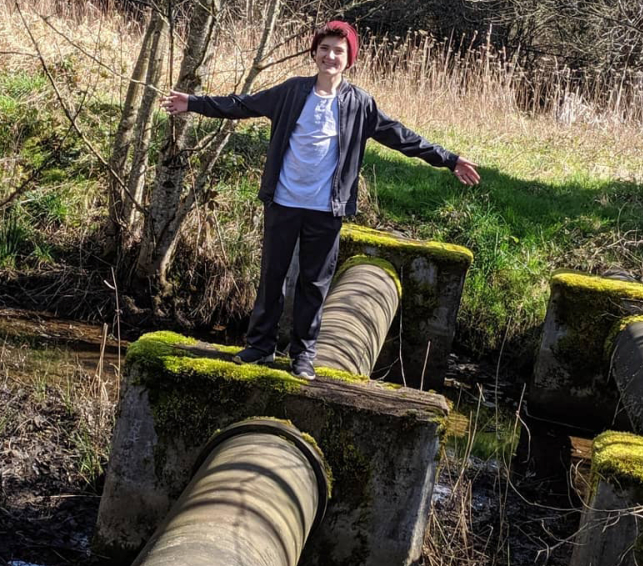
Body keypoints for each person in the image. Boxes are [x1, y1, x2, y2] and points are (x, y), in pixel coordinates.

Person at [162, 20, 480, 380]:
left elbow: (402, 138)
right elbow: (242, 105)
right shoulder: (292, 92)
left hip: (326, 209)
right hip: (283, 202)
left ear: (349, 60)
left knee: (313, 284)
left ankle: (303, 355)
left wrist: (449, 159)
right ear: (314, 53)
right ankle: (260, 346)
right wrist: (193, 103)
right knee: (273, 277)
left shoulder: (359, 104)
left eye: (338, 51)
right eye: (325, 48)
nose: (330, 56)